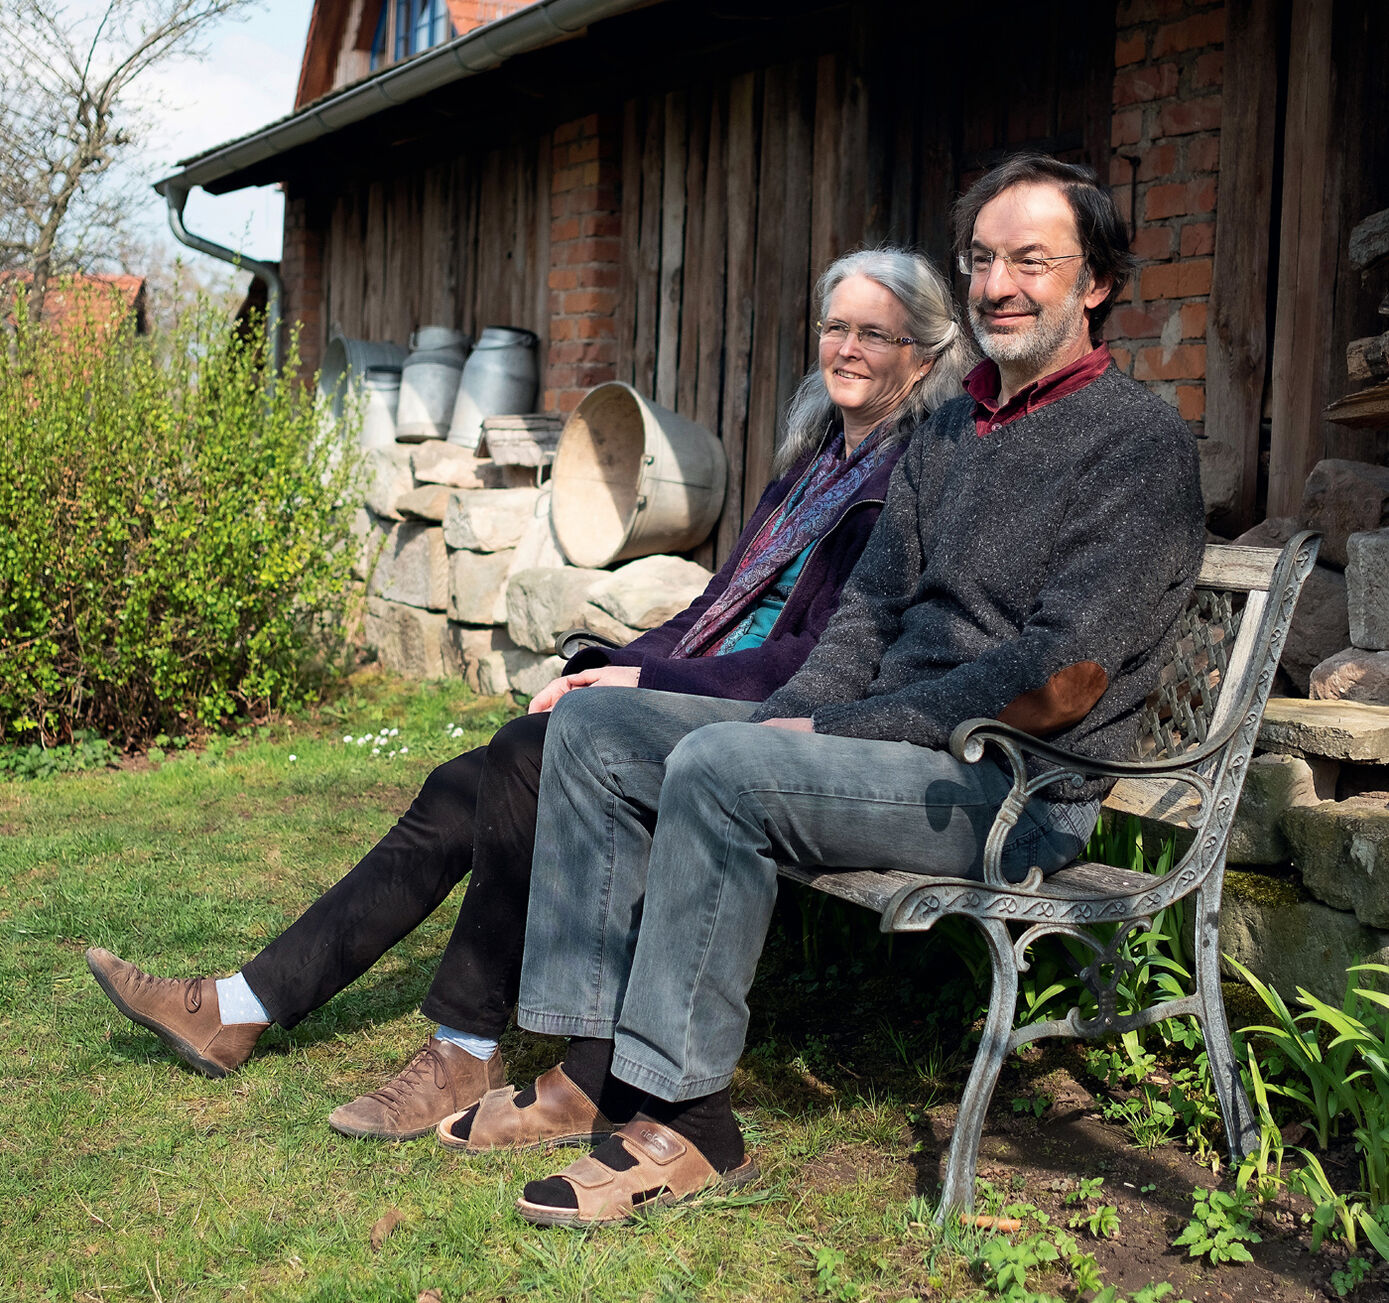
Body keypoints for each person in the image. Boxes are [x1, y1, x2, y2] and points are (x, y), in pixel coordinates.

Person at [459, 153, 1206, 1228]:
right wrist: (786, 714)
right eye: (983, 258)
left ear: (1094, 282)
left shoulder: (1137, 442)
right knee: (600, 722)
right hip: (891, 751)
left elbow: (1061, 674)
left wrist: (830, 727)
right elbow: (866, 607)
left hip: (1016, 784)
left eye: (1032, 260)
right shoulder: (950, 426)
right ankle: (598, 1070)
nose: (999, 283)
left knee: (721, 768)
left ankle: (686, 1123)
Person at [85, 245, 976, 1143]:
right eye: (835, 326)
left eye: (875, 332)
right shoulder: (813, 465)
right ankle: (239, 1005)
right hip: (696, 694)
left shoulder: (903, 484)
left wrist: (642, 679)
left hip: (767, 729)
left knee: (523, 758)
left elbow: (811, 661)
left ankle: (463, 1045)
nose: (848, 348)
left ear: (924, 352)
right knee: (461, 786)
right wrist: (617, 659)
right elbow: (715, 609)